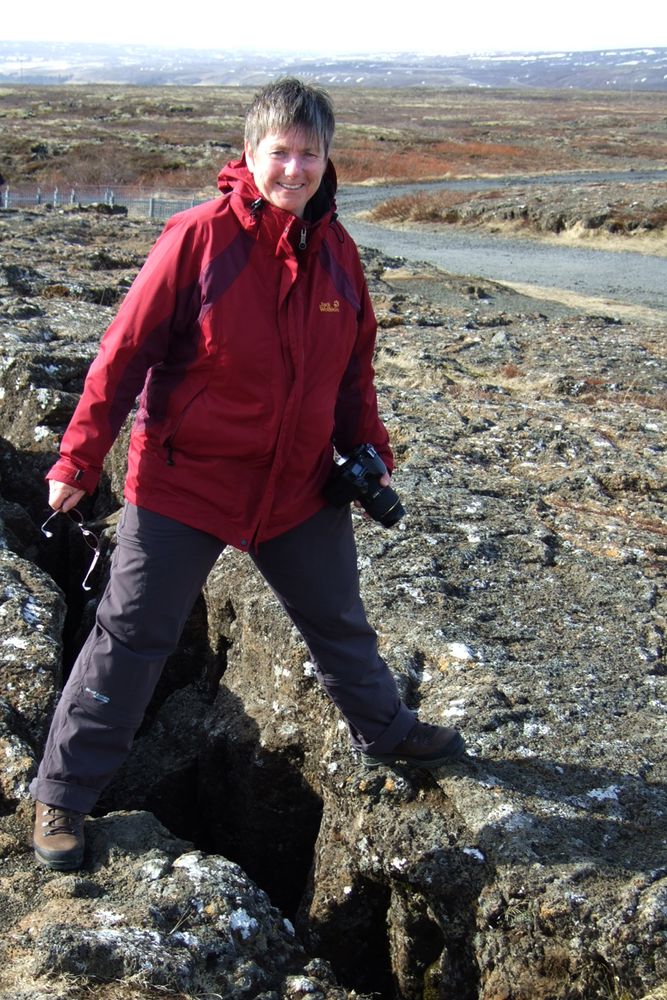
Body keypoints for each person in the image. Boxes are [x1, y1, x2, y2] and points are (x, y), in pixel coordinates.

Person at [30, 79, 465, 872]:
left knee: (339, 622)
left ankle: (389, 731)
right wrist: (78, 459)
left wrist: (369, 449)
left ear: (327, 159)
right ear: (251, 153)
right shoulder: (197, 240)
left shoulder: (337, 253)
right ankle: (62, 795)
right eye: (280, 152)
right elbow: (122, 355)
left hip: (296, 488)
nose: (294, 169)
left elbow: (351, 373)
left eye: (310, 153)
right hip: (185, 482)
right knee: (131, 637)